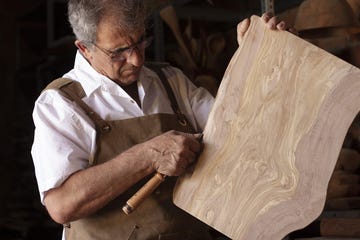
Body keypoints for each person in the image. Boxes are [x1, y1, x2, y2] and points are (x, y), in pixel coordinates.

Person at [31, 0, 290, 239]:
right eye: (119, 51)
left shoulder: (170, 81)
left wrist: (257, 60)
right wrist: (149, 155)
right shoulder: (61, 103)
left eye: (141, 41)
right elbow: (62, 205)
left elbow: (238, 129)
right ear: (84, 48)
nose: (136, 59)